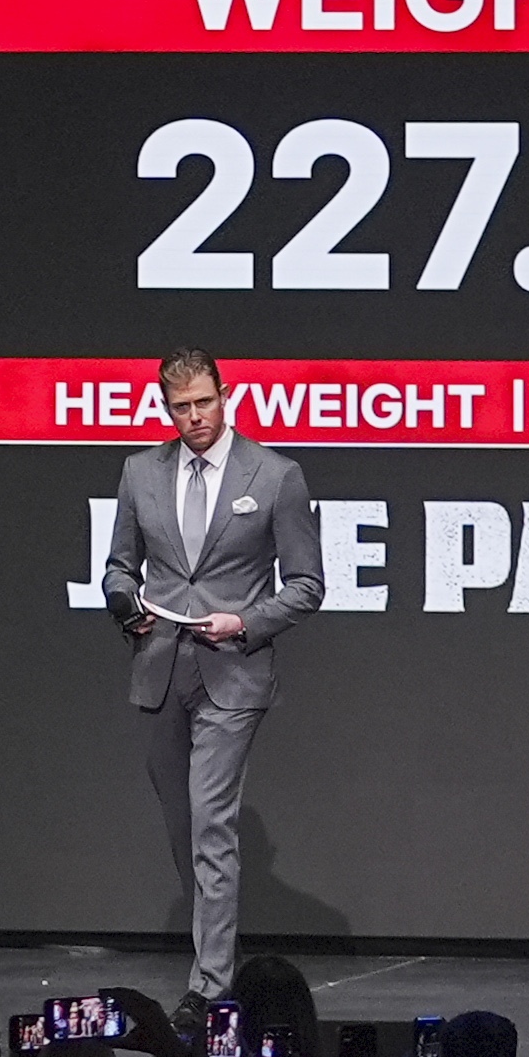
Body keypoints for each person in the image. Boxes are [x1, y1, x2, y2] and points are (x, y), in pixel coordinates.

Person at [97, 351, 322, 1006]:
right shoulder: (140, 472)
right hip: (160, 665)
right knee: (181, 826)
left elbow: (307, 585)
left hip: (233, 671)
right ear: (164, 407)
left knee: (210, 822)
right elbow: (117, 566)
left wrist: (244, 622)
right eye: (179, 406)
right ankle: (218, 952)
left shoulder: (275, 475)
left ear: (226, 394)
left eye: (203, 402)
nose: (193, 417)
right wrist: (125, 605)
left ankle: (211, 984)